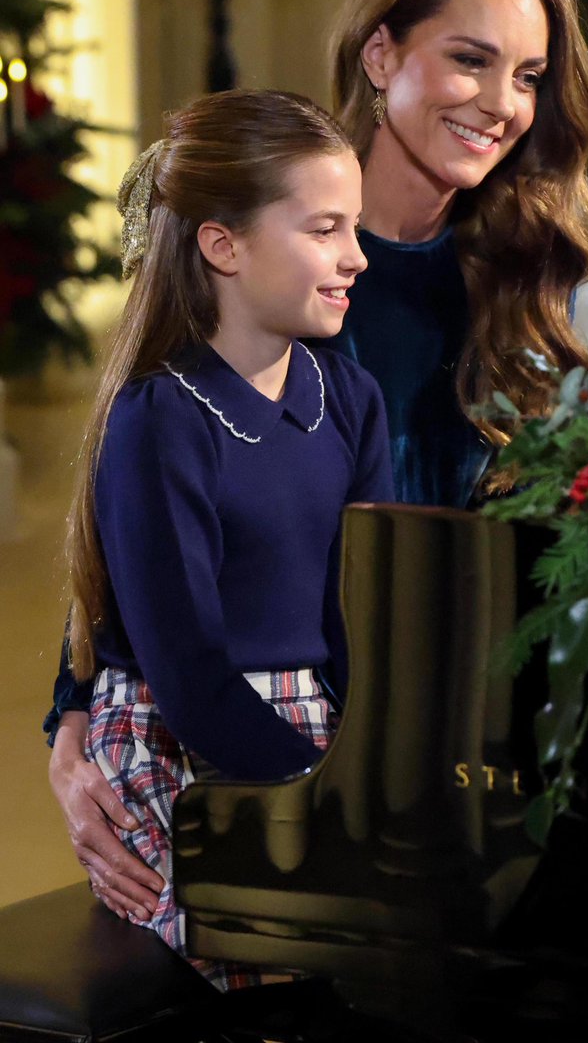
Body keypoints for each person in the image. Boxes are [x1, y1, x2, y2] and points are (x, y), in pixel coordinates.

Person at [46, 0, 588, 928]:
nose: (502, 104)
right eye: (468, 60)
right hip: (295, 726)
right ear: (381, 52)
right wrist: (73, 710)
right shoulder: (262, 244)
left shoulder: (517, 267)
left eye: (527, 75)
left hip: (440, 706)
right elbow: (152, 502)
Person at [62, 88, 393, 988]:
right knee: (272, 967)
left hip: (318, 734)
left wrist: (376, 772)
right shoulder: (162, 417)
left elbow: (366, 620)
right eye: (325, 228)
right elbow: (190, 673)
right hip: (183, 743)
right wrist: (324, 800)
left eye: (353, 227)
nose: (355, 256)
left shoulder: (352, 401)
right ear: (223, 245)